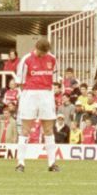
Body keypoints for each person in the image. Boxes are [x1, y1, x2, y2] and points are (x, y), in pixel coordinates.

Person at [13, 37, 61, 172]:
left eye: (45, 53)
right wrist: (27, 95)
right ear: (36, 48)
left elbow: (55, 80)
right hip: (30, 94)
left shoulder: (52, 59)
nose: (42, 55)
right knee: (25, 129)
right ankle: (20, 163)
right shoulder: (26, 59)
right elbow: (20, 82)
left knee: (48, 129)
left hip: (46, 94)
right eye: (41, 52)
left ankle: (52, 163)